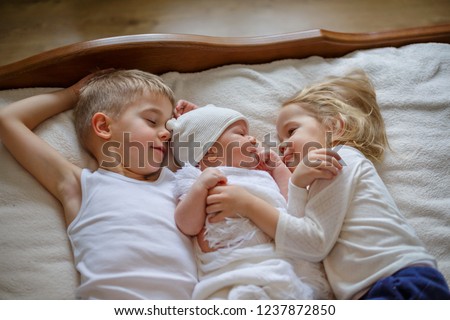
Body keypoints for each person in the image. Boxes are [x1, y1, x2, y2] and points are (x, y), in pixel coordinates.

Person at [204, 70, 450, 299]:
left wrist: (247, 205)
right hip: (376, 289)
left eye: (291, 132)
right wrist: (297, 185)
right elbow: (298, 232)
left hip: (399, 282)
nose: (281, 145)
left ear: (334, 127)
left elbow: (311, 244)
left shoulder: (339, 159)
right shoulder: (319, 176)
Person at [0, 69, 197, 299]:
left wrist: (195, 122)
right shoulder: (81, 187)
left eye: (170, 127)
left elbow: (227, 170)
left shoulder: (179, 181)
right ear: (103, 126)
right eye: (152, 121)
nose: (166, 133)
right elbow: (8, 121)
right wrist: (72, 95)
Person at [167, 104, 334, 300]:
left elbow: (294, 206)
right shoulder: (197, 179)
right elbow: (187, 225)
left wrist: (277, 167)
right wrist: (199, 188)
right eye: (241, 134)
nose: (253, 139)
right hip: (230, 272)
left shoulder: (264, 175)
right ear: (211, 152)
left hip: (276, 264)